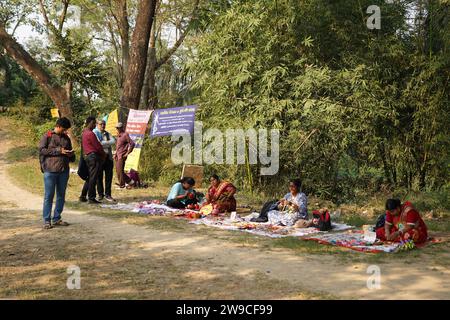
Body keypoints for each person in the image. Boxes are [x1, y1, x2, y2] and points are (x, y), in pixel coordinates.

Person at [38, 117, 75, 229]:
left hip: (64, 171)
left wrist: (70, 154)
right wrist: (59, 151)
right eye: (63, 129)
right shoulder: (47, 136)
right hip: (50, 170)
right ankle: (47, 220)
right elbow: (42, 150)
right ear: (58, 126)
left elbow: (71, 155)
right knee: (49, 196)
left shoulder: (66, 138)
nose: (65, 132)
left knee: (61, 196)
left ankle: (57, 218)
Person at [80, 116, 106, 204]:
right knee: (93, 178)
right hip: (93, 157)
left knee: (90, 177)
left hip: (88, 156)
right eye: (94, 123)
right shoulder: (90, 134)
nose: (95, 125)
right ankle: (91, 197)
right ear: (90, 123)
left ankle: (83, 196)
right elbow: (98, 146)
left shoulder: (84, 133)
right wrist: (103, 154)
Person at [93, 119, 116, 201]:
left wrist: (104, 143)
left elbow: (113, 141)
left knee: (109, 177)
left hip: (108, 158)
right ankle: (100, 194)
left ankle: (108, 194)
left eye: (104, 124)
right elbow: (98, 143)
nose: (103, 125)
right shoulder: (95, 133)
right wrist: (107, 143)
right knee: (99, 177)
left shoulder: (107, 133)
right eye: (101, 124)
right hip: (99, 158)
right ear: (97, 124)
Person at [114, 122, 135, 189]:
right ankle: (130, 182)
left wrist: (127, 153)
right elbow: (118, 147)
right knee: (118, 171)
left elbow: (132, 143)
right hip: (117, 155)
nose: (117, 129)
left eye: (118, 128)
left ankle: (122, 185)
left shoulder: (125, 135)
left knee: (120, 170)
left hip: (122, 155)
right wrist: (115, 154)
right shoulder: (118, 135)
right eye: (116, 128)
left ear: (122, 128)